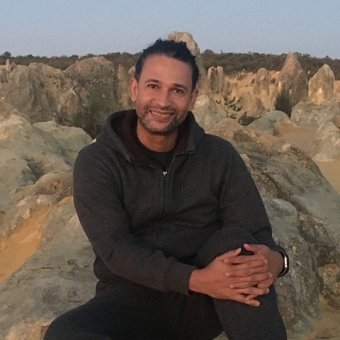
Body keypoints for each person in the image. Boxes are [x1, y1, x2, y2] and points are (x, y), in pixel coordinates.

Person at [45, 39, 289, 340]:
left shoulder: (219, 156)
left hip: (204, 304)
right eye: (153, 86)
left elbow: (257, 233)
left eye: (177, 90)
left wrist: (278, 261)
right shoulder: (97, 161)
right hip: (130, 300)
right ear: (135, 89)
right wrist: (196, 279)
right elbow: (116, 249)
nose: (163, 101)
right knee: (64, 333)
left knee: (239, 245)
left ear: (193, 98)